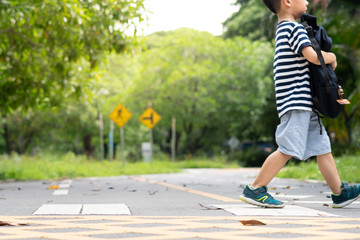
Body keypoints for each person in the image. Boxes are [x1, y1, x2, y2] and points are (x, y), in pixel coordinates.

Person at [239, 0, 360, 208]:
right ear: (287, 2)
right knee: (287, 147)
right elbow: (313, 57)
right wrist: (331, 57)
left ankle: (339, 192)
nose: (306, 1)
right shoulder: (293, 28)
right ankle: (256, 188)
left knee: (323, 148)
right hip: (297, 102)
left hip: (303, 103)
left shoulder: (284, 29)